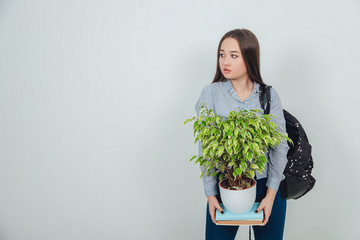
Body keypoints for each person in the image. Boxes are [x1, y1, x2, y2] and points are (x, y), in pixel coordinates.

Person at [195, 29, 290, 240]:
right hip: (225, 186)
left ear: (249, 57)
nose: (225, 61)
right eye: (222, 54)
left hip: (266, 186)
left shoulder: (268, 95)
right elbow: (206, 148)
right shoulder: (210, 93)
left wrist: (271, 195)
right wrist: (211, 194)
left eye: (233, 55)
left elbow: (280, 145)